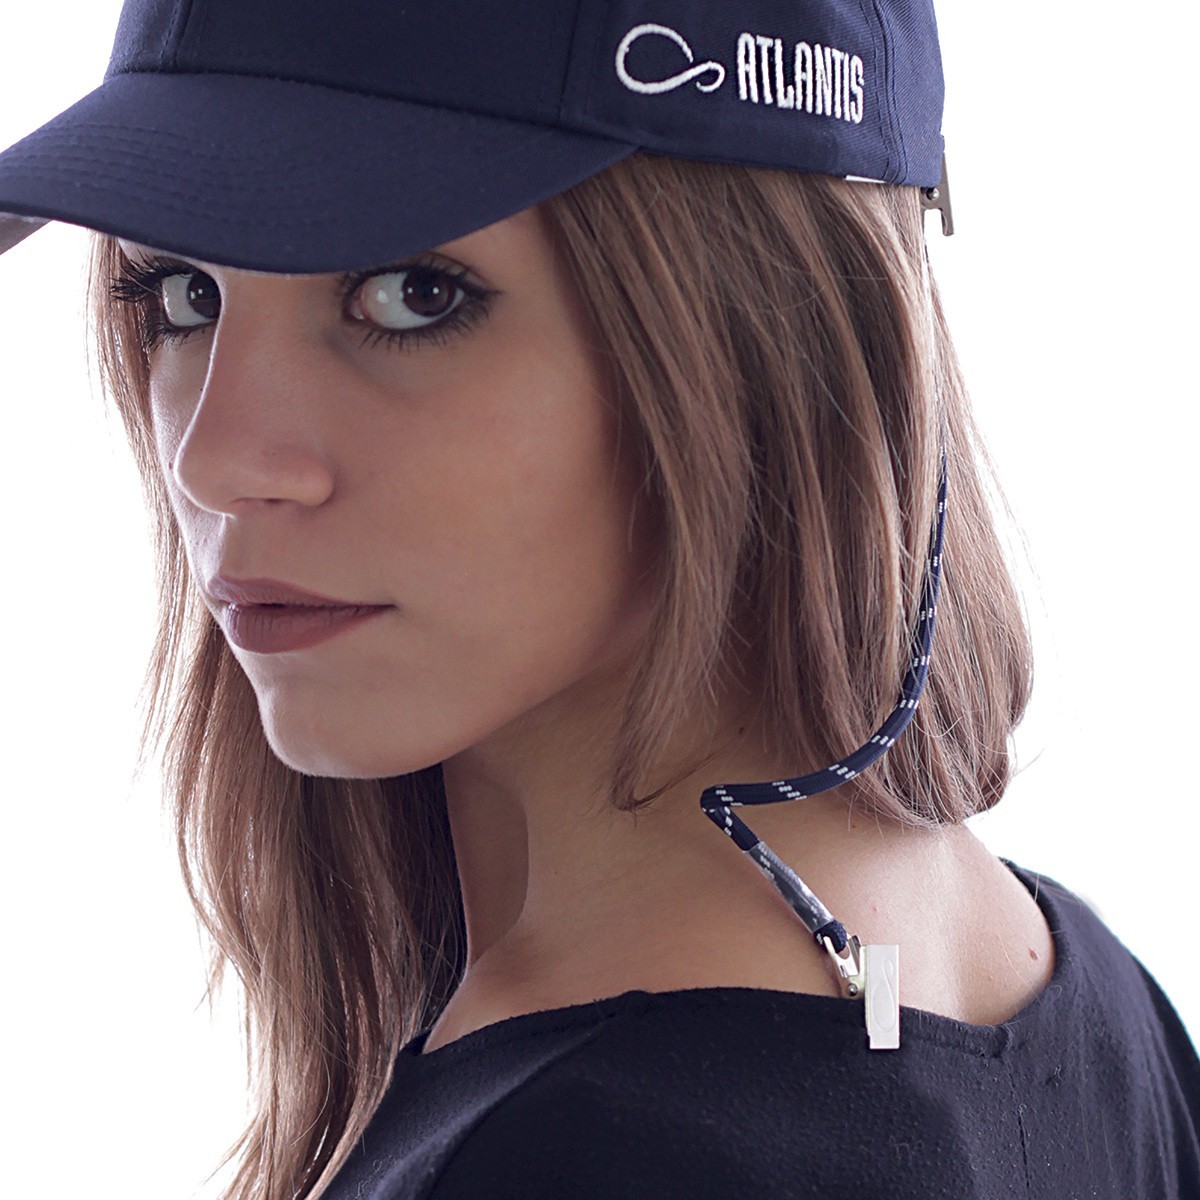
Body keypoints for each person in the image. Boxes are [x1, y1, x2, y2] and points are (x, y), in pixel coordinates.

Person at [2, 3, 1197, 1199]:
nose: (215, 459)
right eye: (182, 293)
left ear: (765, 331)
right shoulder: (1093, 1003)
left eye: (413, 293)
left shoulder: (585, 1158)